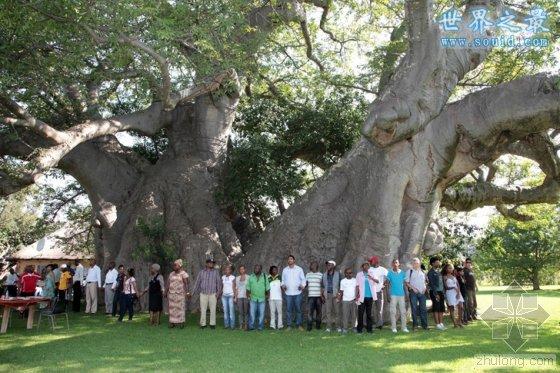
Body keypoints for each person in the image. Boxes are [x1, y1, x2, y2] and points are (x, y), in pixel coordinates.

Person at [193, 258, 221, 329]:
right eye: (210, 263)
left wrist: (218, 293)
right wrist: (193, 292)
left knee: (213, 309)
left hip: (213, 294)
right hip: (203, 293)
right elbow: (197, 283)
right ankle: (203, 324)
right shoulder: (201, 272)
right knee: (203, 309)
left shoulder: (216, 272)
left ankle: (212, 324)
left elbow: (219, 283)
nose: (211, 264)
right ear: (206, 264)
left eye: (212, 263)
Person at [281, 255, 306, 330]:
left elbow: (303, 280)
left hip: (298, 293)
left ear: (294, 260)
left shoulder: (299, 269)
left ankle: (299, 325)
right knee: (288, 310)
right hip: (288, 293)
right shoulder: (285, 270)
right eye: (288, 259)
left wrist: (302, 286)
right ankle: (289, 325)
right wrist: (283, 286)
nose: (290, 260)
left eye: (291, 259)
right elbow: (283, 280)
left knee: (298, 309)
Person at [386, 259, 409, 333]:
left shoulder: (403, 273)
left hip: (402, 295)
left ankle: (404, 327)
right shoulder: (389, 273)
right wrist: (387, 294)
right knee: (393, 312)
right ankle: (393, 328)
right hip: (393, 295)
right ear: (392, 264)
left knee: (403, 312)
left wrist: (407, 294)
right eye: (394, 262)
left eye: (396, 262)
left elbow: (405, 285)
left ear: (399, 264)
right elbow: (387, 284)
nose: (395, 264)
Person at [405, 257, 428, 330]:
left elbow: (426, 282)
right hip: (413, 293)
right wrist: (413, 288)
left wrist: (425, 288)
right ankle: (415, 326)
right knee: (414, 309)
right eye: (414, 263)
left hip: (422, 293)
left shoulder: (423, 272)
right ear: (412, 264)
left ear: (419, 263)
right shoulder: (409, 271)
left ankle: (425, 326)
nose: (416, 264)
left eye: (417, 263)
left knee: (423, 309)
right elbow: (406, 283)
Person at [166, 259, 190, 328]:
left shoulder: (183, 274)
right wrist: (165, 292)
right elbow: (168, 283)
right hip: (172, 294)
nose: (174, 266)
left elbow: (186, 284)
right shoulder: (171, 274)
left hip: (180, 294)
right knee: (172, 309)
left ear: (180, 265)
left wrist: (188, 292)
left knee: (180, 309)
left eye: (175, 265)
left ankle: (181, 323)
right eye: (174, 265)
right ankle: (172, 323)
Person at [355, 261, 377, 334]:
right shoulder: (359, 274)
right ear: (362, 267)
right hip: (362, 297)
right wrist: (357, 294)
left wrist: (371, 278)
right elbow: (357, 285)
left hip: (370, 297)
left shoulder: (372, 273)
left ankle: (369, 329)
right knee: (360, 313)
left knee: (369, 314)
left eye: (367, 265)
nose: (366, 267)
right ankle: (359, 329)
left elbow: (377, 281)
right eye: (364, 265)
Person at [246, 264, 269, 331]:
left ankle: (260, 327)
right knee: (252, 314)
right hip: (253, 298)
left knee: (261, 314)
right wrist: (248, 296)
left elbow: (267, 287)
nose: (255, 269)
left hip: (262, 299)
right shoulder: (251, 277)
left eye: (257, 268)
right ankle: (251, 327)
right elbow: (248, 288)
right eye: (255, 268)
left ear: (260, 269)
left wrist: (268, 296)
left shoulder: (265, 276)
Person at [369, 256, 388, 330]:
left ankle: (379, 324)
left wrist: (384, 284)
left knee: (379, 309)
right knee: (370, 309)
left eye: (371, 261)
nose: (370, 263)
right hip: (370, 291)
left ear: (376, 262)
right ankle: (370, 323)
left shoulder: (383, 269)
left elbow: (389, 277)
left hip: (379, 291)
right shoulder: (369, 269)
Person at [322, 260, 341, 332]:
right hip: (327, 295)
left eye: (329, 265)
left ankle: (338, 327)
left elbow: (340, 286)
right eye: (327, 265)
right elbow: (323, 286)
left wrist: (339, 295)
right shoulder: (324, 275)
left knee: (337, 311)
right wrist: (322, 295)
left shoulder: (338, 274)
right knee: (328, 312)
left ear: (333, 266)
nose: (328, 266)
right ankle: (328, 327)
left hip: (336, 295)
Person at [443, 263, 464, 328]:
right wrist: (453, 288)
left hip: (457, 292)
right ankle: (455, 324)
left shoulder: (454, 277)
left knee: (461, 306)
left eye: (452, 268)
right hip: (450, 293)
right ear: (446, 269)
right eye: (449, 268)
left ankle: (459, 322)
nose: (451, 269)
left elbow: (458, 285)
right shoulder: (444, 277)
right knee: (452, 308)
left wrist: (458, 293)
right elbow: (446, 287)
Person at [427, 256, 446, 330]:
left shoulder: (439, 271)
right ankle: (437, 324)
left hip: (441, 292)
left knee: (441, 308)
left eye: (439, 261)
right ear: (433, 263)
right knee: (436, 308)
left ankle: (441, 323)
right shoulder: (430, 272)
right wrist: (436, 294)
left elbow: (442, 283)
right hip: (435, 292)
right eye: (437, 261)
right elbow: (431, 284)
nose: (439, 262)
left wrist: (443, 291)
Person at [338, 268, 358, 334]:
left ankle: (354, 328)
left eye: (350, 273)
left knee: (354, 315)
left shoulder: (355, 280)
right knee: (345, 315)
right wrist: (339, 299)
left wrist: (356, 297)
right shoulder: (342, 281)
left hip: (353, 300)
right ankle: (345, 328)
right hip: (345, 300)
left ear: (352, 273)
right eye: (347, 273)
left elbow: (357, 289)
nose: (349, 274)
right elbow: (341, 291)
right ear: (345, 274)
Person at [306, 261, 323, 331]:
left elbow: (322, 286)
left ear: (317, 266)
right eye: (312, 265)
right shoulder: (308, 275)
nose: (312, 266)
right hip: (311, 296)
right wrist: (301, 286)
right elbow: (305, 284)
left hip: (319, 297)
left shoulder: (320, 275)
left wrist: (322, 295)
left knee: (319, 312)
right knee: (310, 312)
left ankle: (318, 326)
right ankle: (309, 327)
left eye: (314, 265)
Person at [221, 265, 236, 330]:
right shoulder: (223, 277)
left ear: (231, 271)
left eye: (228, 269)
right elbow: (222, 286)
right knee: (225, 311)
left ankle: (232, 326)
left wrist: (235, 296)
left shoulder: (233, 277)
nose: (227, 271)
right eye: (226, 269)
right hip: (224, 296)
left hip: (230, 296)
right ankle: (226, 325)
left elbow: (234, 287)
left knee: (231, 311)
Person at [268, 265, 283, 330]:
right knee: (272, 312)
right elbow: (267, 288)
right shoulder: (268, 278)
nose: (275, 271)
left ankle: (280, 325)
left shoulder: (280, 277)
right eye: (274, 270)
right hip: (271, 298)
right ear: (271, 270)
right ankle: (272, 325)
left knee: (279, 312)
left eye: (276, 270)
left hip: (279, 298)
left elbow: (282, 286)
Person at [235, 265, 249, 330]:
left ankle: (246, 324)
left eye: (243, 269)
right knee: (240, 312)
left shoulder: (248, 277)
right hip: (239, 296)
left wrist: (249, 296)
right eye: (240, 269)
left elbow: (250, 287)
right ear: (239, 270)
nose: (242, 270)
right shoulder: (237, 278)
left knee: (246, 312)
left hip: (246, 296)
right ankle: (241, 324)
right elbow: (236, 288)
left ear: (245, 269)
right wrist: (235, 297)